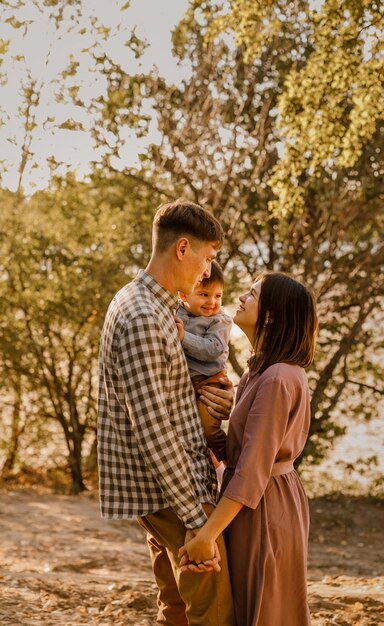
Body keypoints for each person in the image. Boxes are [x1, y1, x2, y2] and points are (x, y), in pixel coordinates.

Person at [97, 199, 235, 626]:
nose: (207, 271)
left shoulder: (154, 305)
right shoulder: (141, 316)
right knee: (211, 612)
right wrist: (197, 520)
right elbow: (154, 429)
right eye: (207, 258)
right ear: (182, 249)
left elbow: (170, 402)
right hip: (172, 495)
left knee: (175, 607)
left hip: (167, 489)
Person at [179, 272, 317, 626]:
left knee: (263, 607)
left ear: (270, 316)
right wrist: (213, 419)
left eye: (252, 294)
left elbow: (252, 471)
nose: (240, 298)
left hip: (264, 506)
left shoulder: (277, 378)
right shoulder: (260, 371)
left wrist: (206, 536)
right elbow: (241, 454)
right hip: (255, 499)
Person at [175, 260, 233, 462]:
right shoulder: (175, 311)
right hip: (186, 382)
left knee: (209, 430)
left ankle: (230, 459)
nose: (212, 302)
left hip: (210, 381)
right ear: (184, 295)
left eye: (218, 296)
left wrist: (184, 338)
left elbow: (213, 349)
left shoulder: (220, 320)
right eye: (204, 295)